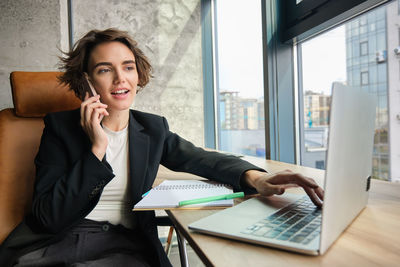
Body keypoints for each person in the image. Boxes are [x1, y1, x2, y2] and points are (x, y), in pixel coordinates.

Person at [0, 28, 323, 266]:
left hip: (125, 244)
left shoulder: (151, 128)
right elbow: (49, 217)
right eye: (104, 70)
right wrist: (97, 148)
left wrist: (256, 178)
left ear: (138, 74)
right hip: (60, 243)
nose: (119, 79)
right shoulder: (60, 129)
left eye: (127, 67)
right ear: (85, 81)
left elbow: (199, 158)